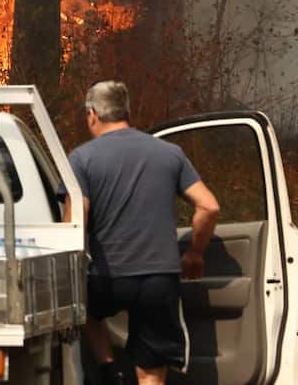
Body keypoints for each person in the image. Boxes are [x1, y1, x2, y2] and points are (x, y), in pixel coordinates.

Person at [65, 81, 220, 385]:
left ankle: (111, 369)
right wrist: (194, 254)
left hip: (106, 278)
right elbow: (209, 207)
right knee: (152, 374)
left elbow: (76, 220)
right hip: (158, 278)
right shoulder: (170, 153)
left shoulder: (81, 158)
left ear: (92, 115)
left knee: (82, 309)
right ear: (127, 112)